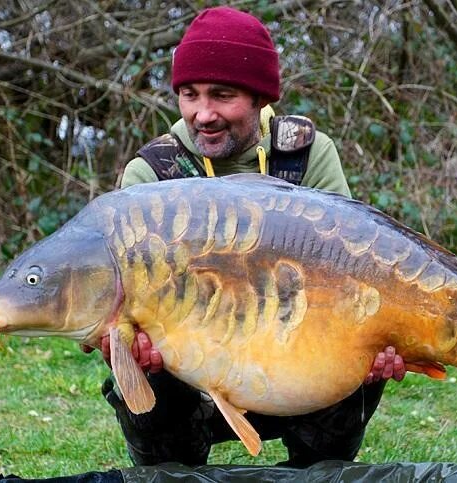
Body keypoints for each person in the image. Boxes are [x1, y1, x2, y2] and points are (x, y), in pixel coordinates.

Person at [85, 6, 407, 469]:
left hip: (298, 368)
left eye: (223, 95)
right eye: (189, 95)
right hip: (190, 376)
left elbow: (352, 269)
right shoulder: (152, 174)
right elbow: (118, 298)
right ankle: (174, 471)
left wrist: (379, 341)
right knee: (139, 365)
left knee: (361, 339)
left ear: (258, 98)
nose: (203, 114)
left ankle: (316, 470)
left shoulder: (307, 155)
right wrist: (122, 342)